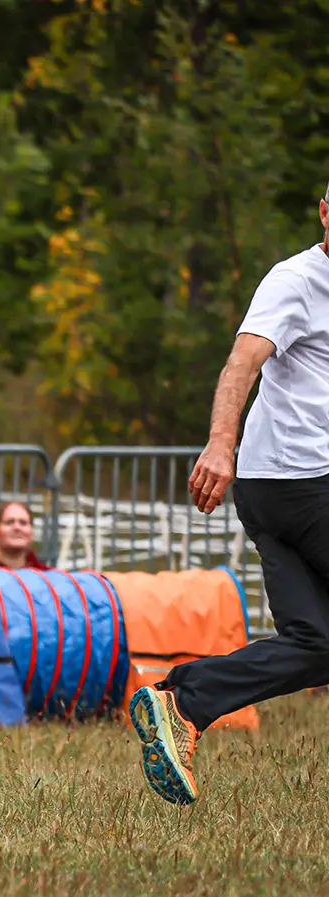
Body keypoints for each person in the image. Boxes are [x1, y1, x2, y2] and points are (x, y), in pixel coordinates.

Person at [133, 183, 329, 804]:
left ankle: (185, 701)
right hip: (300, 484)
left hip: (282, 497)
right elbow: (242, 363)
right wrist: (221, 443)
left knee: (318, 643)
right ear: (324, 212)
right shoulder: (295, 280)